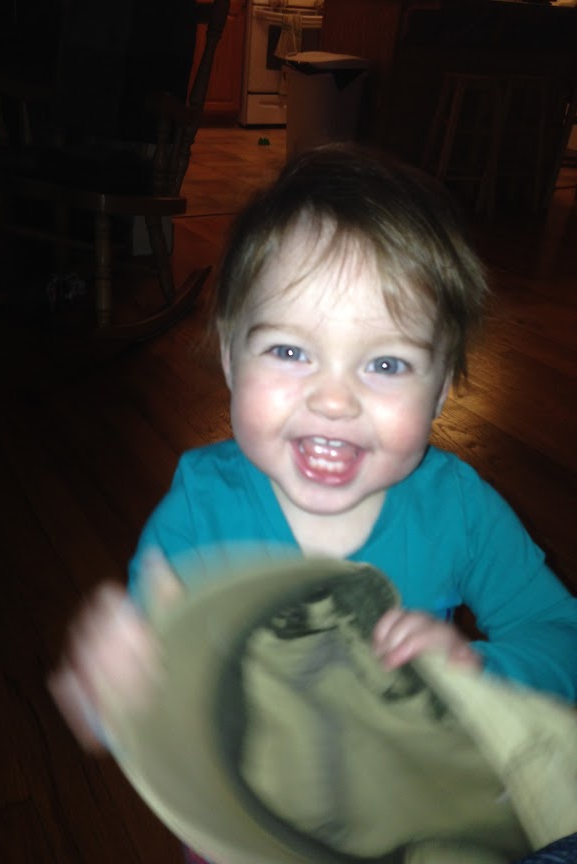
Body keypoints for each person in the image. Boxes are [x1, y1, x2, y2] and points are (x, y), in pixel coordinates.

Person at [49, 142, 577, 814]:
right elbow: (155, 701)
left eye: (386, 364)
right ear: (231, 359)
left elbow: (562, 637)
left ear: (443, 389)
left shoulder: (460, 510)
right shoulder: (199, 513)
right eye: (290, 350)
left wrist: (477, 675)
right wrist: (113, 693)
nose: (333, 400)